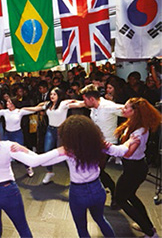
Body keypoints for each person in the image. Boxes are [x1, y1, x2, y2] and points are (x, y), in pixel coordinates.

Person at [9, 115, 137, 237]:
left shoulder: (67, 150)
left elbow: (37, 161)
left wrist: (23, 149)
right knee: (101, 219)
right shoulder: (98, 143)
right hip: (98, 189)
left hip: (78, 193)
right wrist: (130, 141)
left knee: (82, 228)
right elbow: (121, 151)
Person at [114, 98, 161, 237]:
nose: (123, 109)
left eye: (126, 107)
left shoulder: (139, 131)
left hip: (134, 169)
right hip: (135, 168)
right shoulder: (133, 124)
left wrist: (108, 148)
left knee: (121, 199)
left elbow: (127, 153)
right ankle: (148, 227)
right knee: (130, 196)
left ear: (135, 112)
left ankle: (151, 233)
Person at [21, 88, 84, 183]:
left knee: (66, 153)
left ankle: (75, 173)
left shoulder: (63, 104)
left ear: (59, 95)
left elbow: (78, 104)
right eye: (51, 94)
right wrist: (21, 109)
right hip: (50, 130)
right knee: (47, 151)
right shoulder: (48, 105)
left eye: (54, 94)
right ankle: (49, 172)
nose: (52, 96)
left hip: (62, 131)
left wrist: (89, 101)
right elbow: (35, 109)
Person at [80, 84, 124, 209]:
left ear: (92, 99)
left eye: (85, 99)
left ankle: (115, 195)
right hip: (95, 142)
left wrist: (125, 131)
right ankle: (106, 192)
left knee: (97, 169)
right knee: (97, 170)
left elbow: (129, 111)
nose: (84, 102)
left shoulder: (109, 106)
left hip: (107, 143)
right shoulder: (93, 107)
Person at [0, 97, 36, 177]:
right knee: (1, 150)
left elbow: (34, 109)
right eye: (7, 102)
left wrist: (43, 106)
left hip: (17, 134)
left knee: (20, 152)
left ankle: (28, 167)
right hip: (7, 134)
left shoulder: (19, 111)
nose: (7, 103)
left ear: (13, 104)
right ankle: (3, 170)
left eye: (8, 102)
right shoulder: (5, 112)